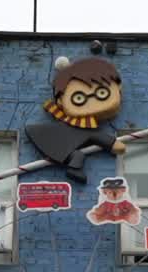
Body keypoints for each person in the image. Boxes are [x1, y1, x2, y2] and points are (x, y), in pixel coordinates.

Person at [25, 56, 126, 184]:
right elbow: (98, 137)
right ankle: (74, 169)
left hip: (62, 141)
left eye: (101, 93)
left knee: (77, 154)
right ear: (61, 101)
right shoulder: (83, 126)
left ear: (118, 87)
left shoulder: (84, 125)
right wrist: (113, 144)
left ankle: (74, 169)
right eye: (79, 98)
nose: (91, 100)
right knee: (84, 144)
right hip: (54, 138)